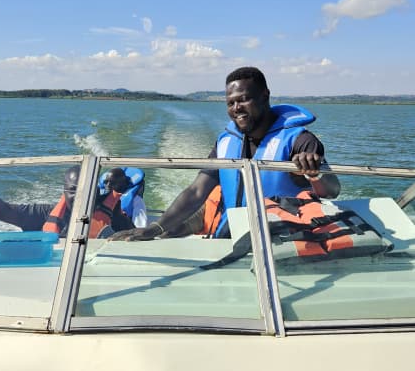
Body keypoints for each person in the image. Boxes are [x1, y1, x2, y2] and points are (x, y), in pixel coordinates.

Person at [109, 66, 340, 241]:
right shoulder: (225, 143)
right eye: (230, 103)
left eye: (243, 100)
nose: (236, 108)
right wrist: (155, 228)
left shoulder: (300, 141)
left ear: (265, 96)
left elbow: (332, 190)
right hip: (232, 238)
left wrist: (314, 172)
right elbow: (197, 191)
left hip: (284, 242)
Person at [0, 165, 145, 237]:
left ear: (95, 190)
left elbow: (133, 234)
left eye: (86, 190)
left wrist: (115, 208)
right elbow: (5, 211)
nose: (80, 196)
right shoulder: (45, 214)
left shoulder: (110, 212)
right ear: (64, 192)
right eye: (73, 191)